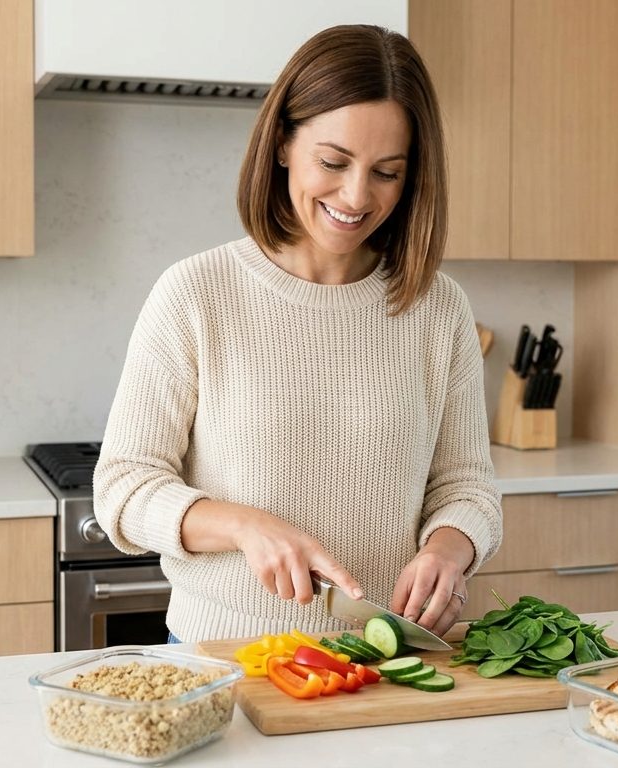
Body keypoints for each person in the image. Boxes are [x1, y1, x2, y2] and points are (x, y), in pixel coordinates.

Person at [93, 24, 502, 645]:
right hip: (226, 657)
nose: (357, 195)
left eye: (387, 172)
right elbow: (123, 488)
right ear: (283, 143)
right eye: (333, 162)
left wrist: (451, 550)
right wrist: (241, 525)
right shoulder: (197, 293)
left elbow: (465, 485)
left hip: (385, 656)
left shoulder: (439, 309)